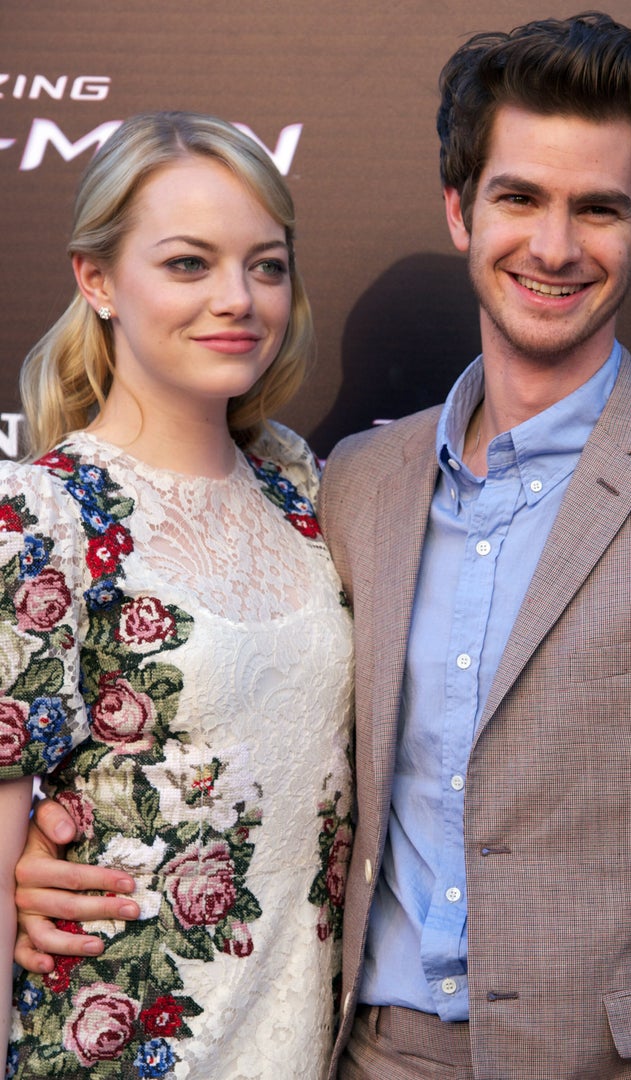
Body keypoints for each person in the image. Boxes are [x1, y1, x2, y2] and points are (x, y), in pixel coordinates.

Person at [12, 10, 631, 1079]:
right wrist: (35, 857)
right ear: (459, 209)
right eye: (519, 197)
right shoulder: (352, 486)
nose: (554, 244)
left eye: (599, 209)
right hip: (360, 1053)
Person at [0, 110, 354, 1079]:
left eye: (267, 265)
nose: (238, 299)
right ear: (97, 278)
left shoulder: (303, 486)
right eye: (189, 264)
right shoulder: (39, 520)